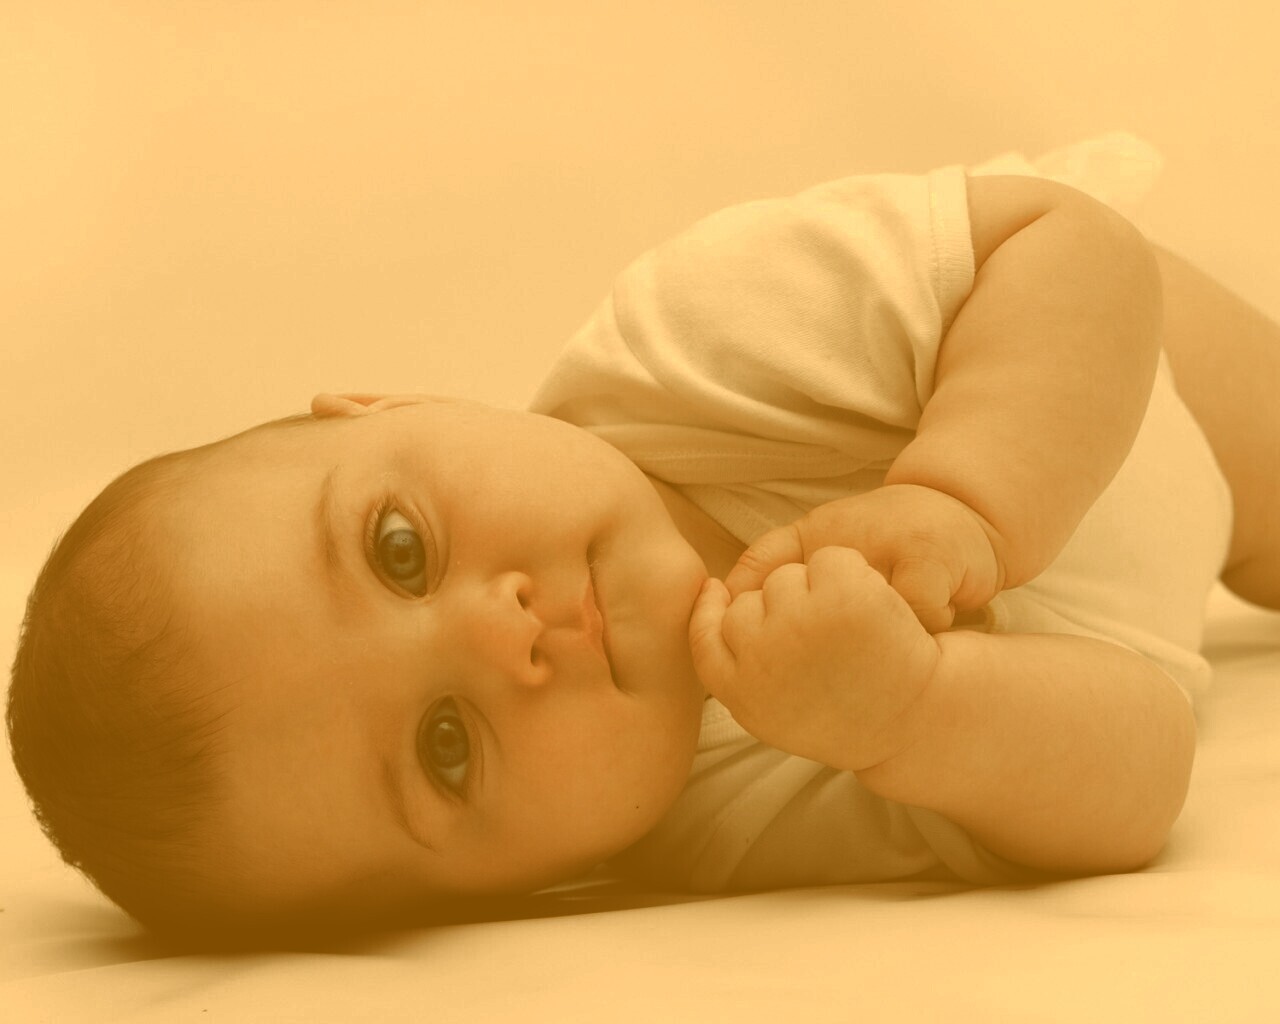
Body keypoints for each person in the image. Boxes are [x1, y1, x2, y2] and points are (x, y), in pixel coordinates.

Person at [8, 137, 1279, 944]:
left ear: (387, 404)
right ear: (506, 892)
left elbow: (1067, 245)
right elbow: (1144, 767)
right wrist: (913, 709)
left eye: (400, 551)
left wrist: (965, 501)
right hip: (1148, 591)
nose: (500, 634)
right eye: (446, 747)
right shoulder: (718, 819)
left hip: (1146, 382)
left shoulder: (694, 346)